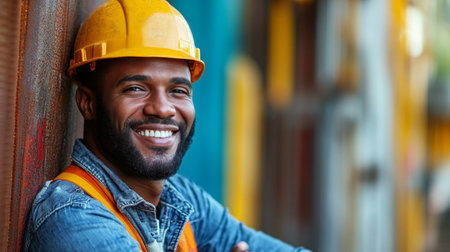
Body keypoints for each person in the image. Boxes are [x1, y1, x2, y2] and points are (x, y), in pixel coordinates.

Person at [22, 0, 311, 251]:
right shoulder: (73, 219)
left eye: (178, 91)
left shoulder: (180, 200)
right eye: (136, 88)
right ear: (88, 103)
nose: (162, 108)